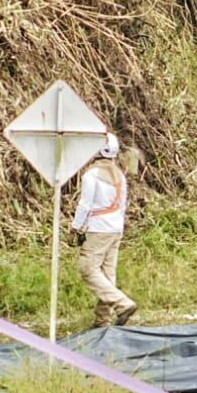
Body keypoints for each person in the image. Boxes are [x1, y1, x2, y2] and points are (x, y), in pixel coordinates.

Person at [71, 133, 137, 326]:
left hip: (98, 229)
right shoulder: (119, 175)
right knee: (107, 274)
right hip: (116, 229)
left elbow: (85, 205)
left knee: (88, 268)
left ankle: (122, 304)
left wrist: (75, 228)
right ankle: (102, 320)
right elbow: (122, 205)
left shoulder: (91, 175)